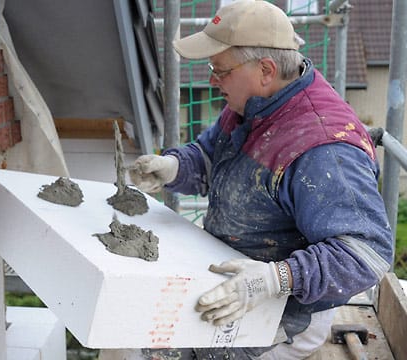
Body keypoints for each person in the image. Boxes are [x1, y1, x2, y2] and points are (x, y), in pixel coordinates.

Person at [122, 0, 393, 359]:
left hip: (287, 314)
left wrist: (276, 279)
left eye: (220, 70)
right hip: (233, 277)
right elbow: (213, 155)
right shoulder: (254, 103)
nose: (212, 79)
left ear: (265, 69)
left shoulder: (324, 150)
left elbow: (367, 254)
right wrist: (176, 167)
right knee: (147, 337)